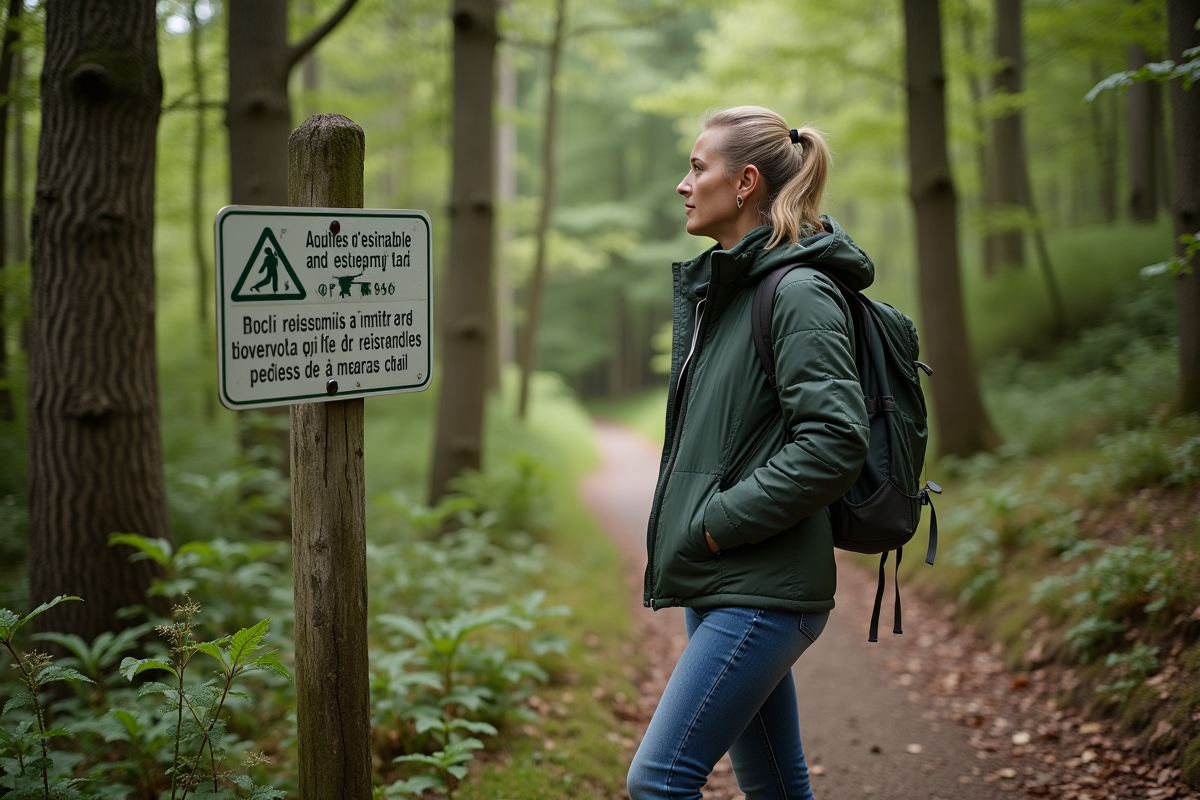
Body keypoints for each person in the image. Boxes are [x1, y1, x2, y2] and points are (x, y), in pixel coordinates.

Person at [626, 106, 873, 800]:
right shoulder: (732, 292)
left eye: (697, 167)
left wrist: (716, 523)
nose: (684, 184)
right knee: (775, 787)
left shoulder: (798, 291)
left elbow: (834, 442)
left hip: (760, 586)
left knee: (658, 781)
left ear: (745, 183)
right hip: (727, 578)